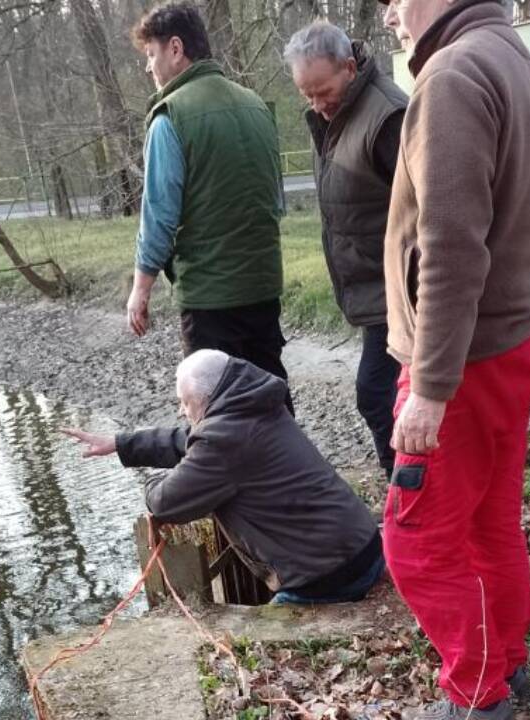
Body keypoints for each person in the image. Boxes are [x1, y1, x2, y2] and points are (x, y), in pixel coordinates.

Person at [378, 0, 530, 716]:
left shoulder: (453, 76)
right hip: (516, 337)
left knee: (415, 540)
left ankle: (477, 696)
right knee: (488, 522)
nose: (390, 14)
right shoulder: (523, 67)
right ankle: (506, 667)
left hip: (463, 358)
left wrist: (430, 387)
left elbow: (452, 247)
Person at [62, 350, 384, 605]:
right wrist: (121, 444)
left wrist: (155, 480)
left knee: (253, 648)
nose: (181, 411)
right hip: (364, 548)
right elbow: (190, 439)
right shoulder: (255, 404)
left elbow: (165, 502)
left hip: (328, 576)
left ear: (206, 400)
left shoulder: (223, 440)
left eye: (184, 403)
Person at [127, 3, 291, 403]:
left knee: (216, 409)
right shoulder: (255, 105)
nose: (148, 67)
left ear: (176, 48)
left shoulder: (169, 117)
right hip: (263, 285)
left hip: (210, 296)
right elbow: (274, 200)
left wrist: (141, 288)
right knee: (271, 400)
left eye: (151, 54)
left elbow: (159, 217)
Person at [283, 21, 408, 478]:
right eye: (307, 95)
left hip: (400, 289)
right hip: (372, 288)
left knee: (376, 394)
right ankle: (409, 489)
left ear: (350, 68)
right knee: (388, 397)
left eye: (323, 91)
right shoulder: (331, 119)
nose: (317, 103)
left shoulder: (387, 116)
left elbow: (426, 212)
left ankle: (408, 490)